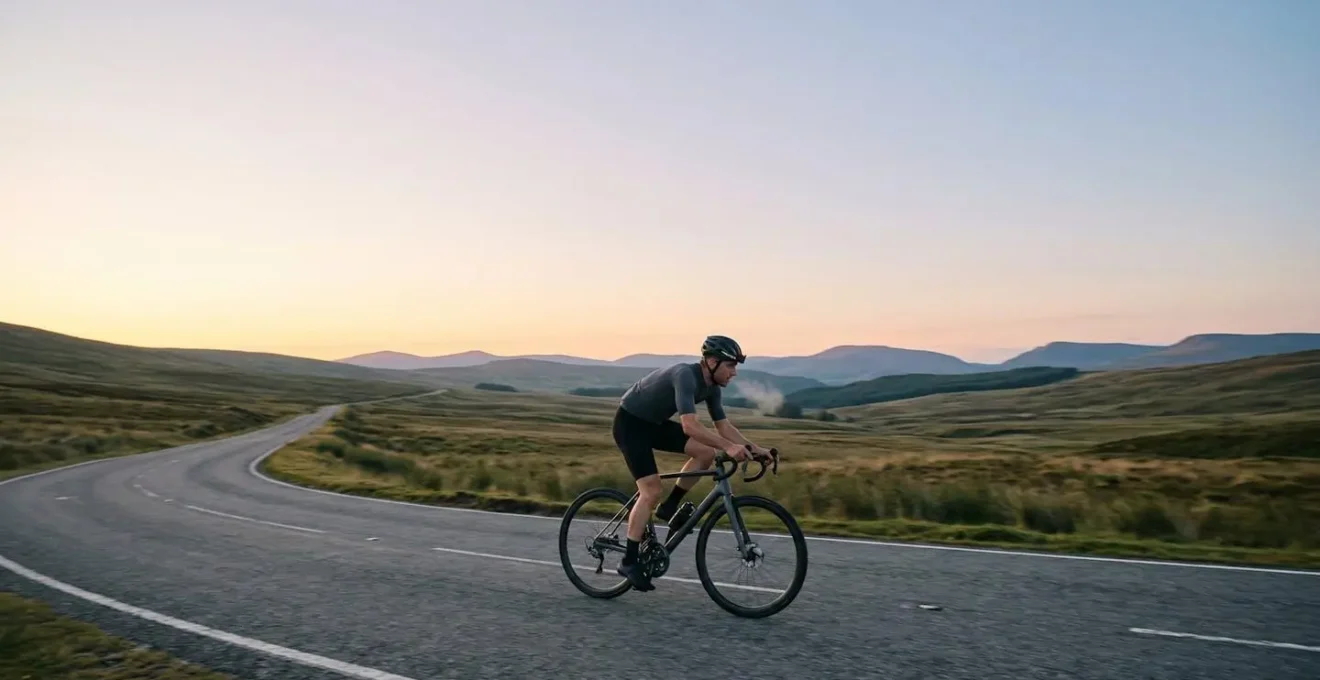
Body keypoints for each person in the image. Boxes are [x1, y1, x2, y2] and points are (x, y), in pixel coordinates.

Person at [610, 334, 775, 591]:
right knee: (651, 490)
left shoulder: (712, 388)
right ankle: (629, 560)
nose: (734, 373)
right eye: (730, 366)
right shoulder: (685, 375)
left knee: (706, 454)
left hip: (654, 424)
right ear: (711, 361)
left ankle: (670, 507)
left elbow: (723, 426)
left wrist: (755, 449)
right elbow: (689, 425)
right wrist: (729, 447)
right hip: (630, 424)